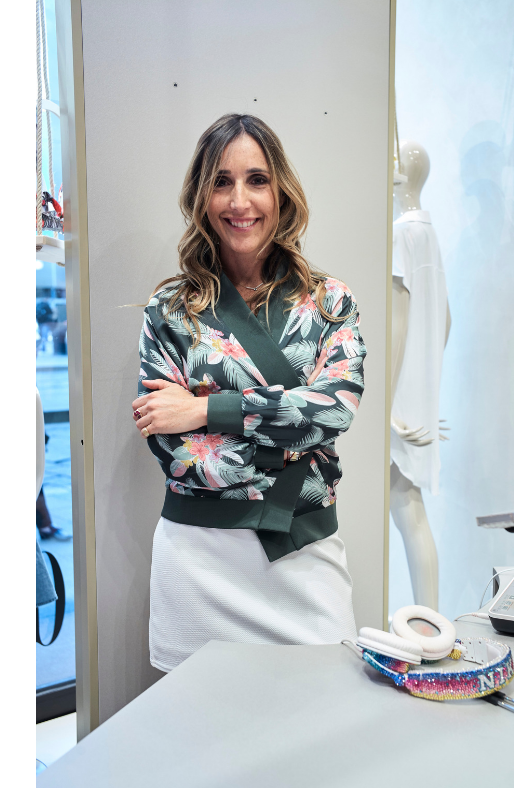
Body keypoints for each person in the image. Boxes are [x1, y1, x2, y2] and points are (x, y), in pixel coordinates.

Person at [131, 113, 365, 673]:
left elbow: (334, 412)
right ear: (201, 196)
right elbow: (175, 452)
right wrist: (291, 450)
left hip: (303, 553)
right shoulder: (168, 310)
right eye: (221, 182)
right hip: (197, 562)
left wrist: (204, 409)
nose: (240, 201)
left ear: (281, 190)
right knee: (200, 724)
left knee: (321, 714)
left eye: (257, 180)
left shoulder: (330, 302)